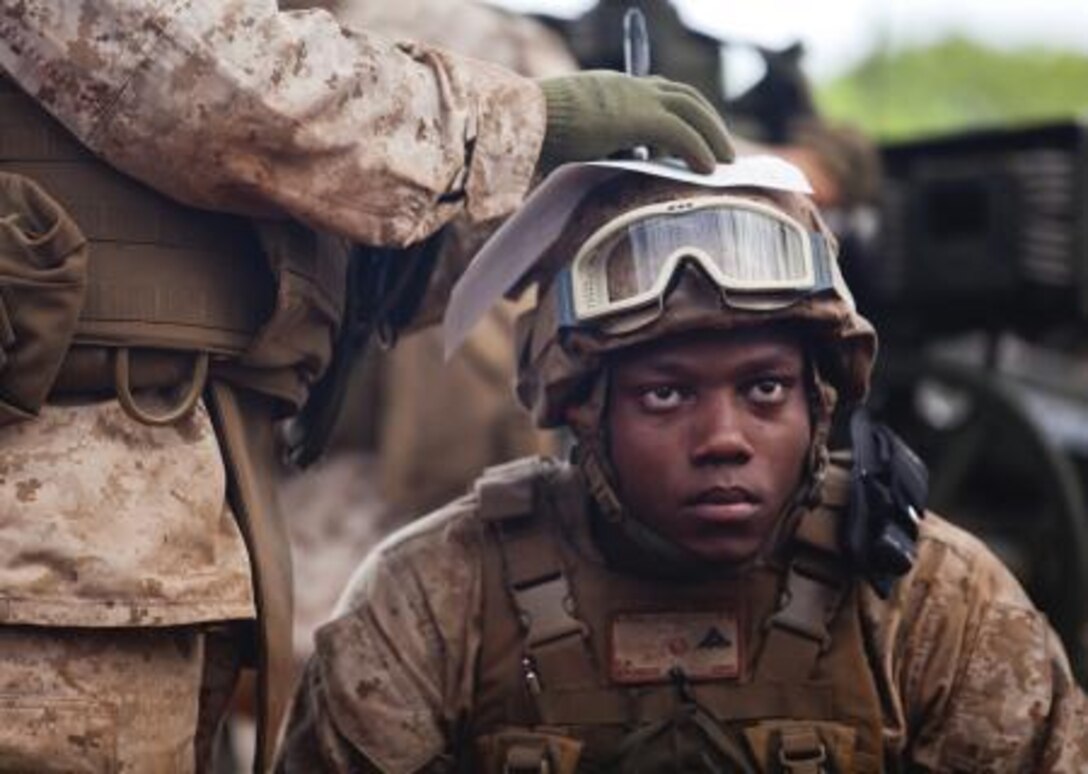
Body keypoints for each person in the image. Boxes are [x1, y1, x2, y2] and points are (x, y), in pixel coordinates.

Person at [0, 2, 734, 772]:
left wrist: (541, 211)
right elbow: (216, 90)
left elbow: (324, 275)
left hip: (148, 534)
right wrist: (524, 125)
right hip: (47, 555)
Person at [277, 156, 1088, 772]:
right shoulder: (436, 596)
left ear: (821, 401)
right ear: (585, 410)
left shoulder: (937, 602)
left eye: (766, 388)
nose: (723, 438)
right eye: (665, 396)